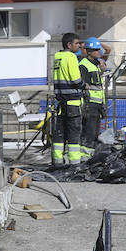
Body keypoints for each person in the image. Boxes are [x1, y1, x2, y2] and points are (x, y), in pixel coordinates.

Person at [50, 32, 87, 165]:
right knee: (73, 135)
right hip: (73, 102)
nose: (79, 46)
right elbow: (76, 80)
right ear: (69, 44)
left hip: (61, 103)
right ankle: (75, 164)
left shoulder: (57, 56)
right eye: (76, 43)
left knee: (60, 134)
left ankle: (57, 161)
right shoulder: (71, 57)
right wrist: (85, 85)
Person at [78, 37, 108, 164]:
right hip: (89, 105)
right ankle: (85, 159)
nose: (99, 52)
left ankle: (91, 158)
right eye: (96, 50)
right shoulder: (83, 65)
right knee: (88, 133)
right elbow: (84, 87)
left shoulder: (95, 65)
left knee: (95, 133)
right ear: (89, 51)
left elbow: (98, 87)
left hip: (97, 104)